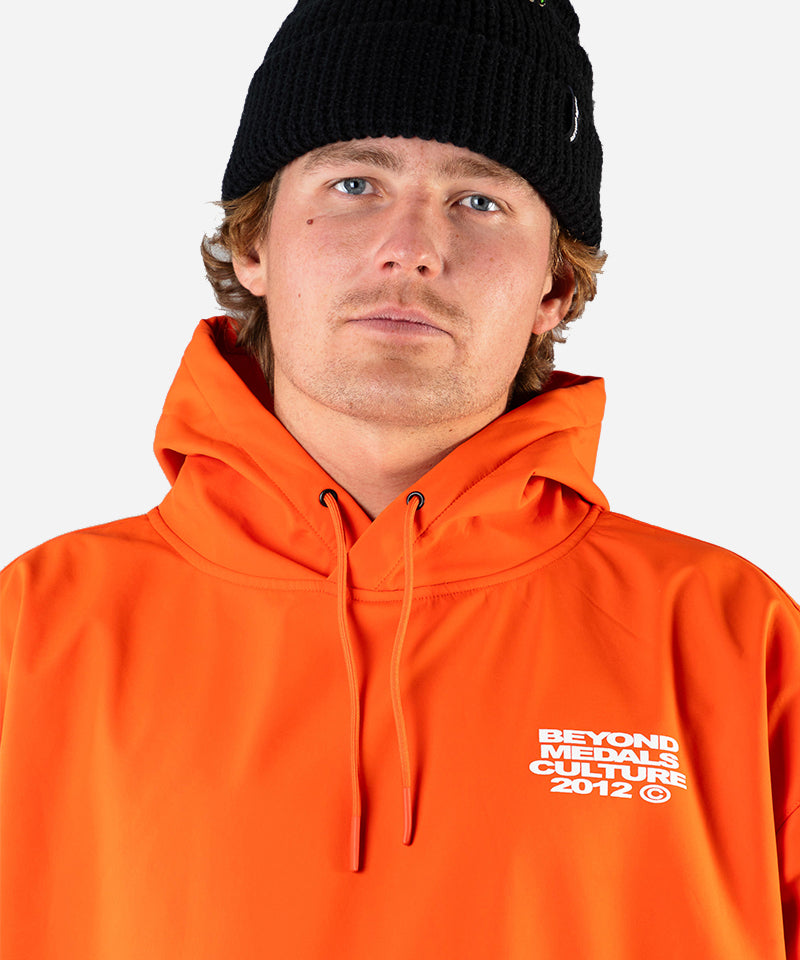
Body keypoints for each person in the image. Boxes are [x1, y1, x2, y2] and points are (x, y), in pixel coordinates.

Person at [1, 0, 798, 957]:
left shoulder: (736, 643)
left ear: (555, 286)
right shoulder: (32, 633)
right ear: (253, 245)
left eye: (480, 200)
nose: (410, 246)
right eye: (354, 183)